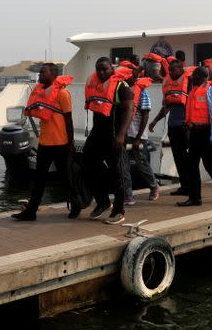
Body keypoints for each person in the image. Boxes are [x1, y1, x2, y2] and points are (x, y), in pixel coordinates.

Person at [12, 63, 79, 221]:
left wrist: (71, 143)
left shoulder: (63, 94)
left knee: (66, 177)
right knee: (38, 179)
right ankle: (30, 212)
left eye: (43, 72)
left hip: (61, 143)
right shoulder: (41, 92)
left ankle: (76, 205)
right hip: (45, 143)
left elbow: (69, 120)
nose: (40, 75)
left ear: (53, 74)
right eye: (40, 72)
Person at [83, 57, 133, 224]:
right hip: (98, 132)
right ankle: (103, 201)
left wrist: (121, 135)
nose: (102, 72)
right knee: (86, 164)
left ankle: (119, 210)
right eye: (99, 69)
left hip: (114, 134)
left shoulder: (121, 86)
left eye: (105, 69)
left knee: (116, 171)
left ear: (112, 68)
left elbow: (128, 111)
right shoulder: (96, 84)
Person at [177, 67, 212, 206]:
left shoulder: (211, 90)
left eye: (194, 76)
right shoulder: (194, 90)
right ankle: (195, 198)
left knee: (210, 166)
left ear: (201, 76)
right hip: (195, 132)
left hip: (207, 132)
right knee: (192, 165)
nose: (191, 78)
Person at [149, 60, 191, 196]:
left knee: (187, 158)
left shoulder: (189, 83)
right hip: (173, 127)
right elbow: (166, 108)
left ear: (181, 69)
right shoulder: (169, 84)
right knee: (178, 157)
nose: (171, 72)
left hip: (186, 127)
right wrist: (155, 120)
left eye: (174, 70)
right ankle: (185, 186)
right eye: (170, 70)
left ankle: (191, 187)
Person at [120, 63, 160, 204]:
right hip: (123, 135)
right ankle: (128, 195)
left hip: (137, 135)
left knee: (142, 164)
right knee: (123, 166)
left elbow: (145, 116)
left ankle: (154, 186)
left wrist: (138, 138)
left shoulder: (142, 92)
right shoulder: (120, 91)